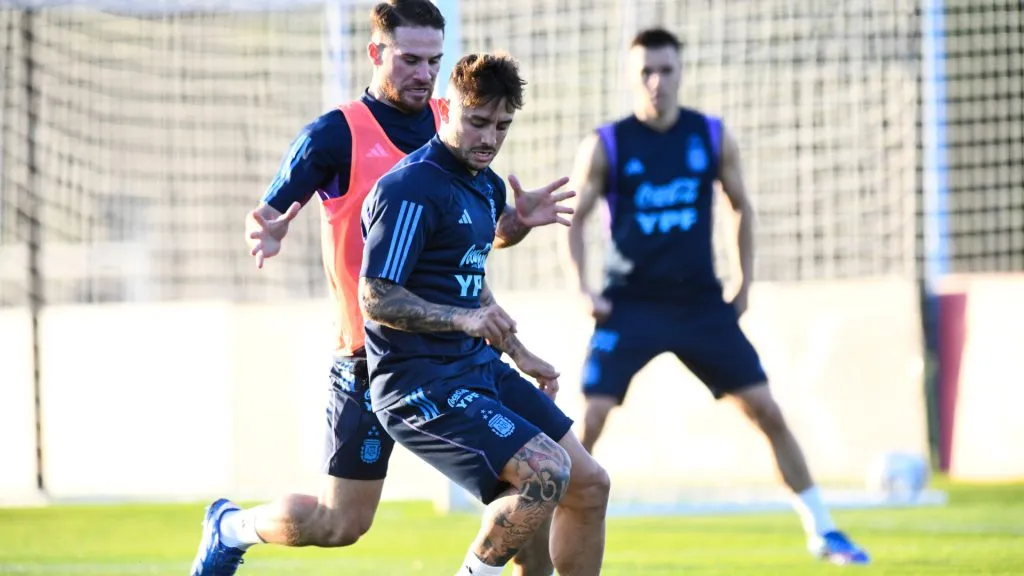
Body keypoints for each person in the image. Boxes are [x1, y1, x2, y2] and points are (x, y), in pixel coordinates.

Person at [190, 2, 571, 574]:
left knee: (537, 482)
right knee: (340, 524)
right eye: (410, 59)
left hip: (449, 357)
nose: (424, 74)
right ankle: (231, 527)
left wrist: (515, 223)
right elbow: (270, 212)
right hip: (368, 356)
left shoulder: (460, 123)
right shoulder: (335, 134)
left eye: (434, 61)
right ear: (377, 53)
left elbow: (472, 250)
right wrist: (265, 229)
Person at [562, 28, 870, 566]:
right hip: (629, 304)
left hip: (700, 304)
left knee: (767, 411)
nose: (656, 82)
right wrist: (582, 288)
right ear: (631, 77)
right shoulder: (608, 143)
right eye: (646, 72)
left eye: (666, 70)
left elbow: (741, 206)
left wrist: (743, 283)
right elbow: (576, 219)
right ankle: (540, 529)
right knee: (587, 420)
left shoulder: (709, 135)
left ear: (681, 72)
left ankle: (823, 530)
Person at [359, 52, 610, 576]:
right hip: (420, 385)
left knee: (588, 484)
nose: (489, 138)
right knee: (545, 473)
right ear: (448, 108)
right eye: (477, 122)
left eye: (502, 126)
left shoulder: (486, 184)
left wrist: (518, 351)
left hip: (476, 369)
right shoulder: (411, 188)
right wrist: (462, 322)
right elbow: (376, 295)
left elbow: (468, 274)